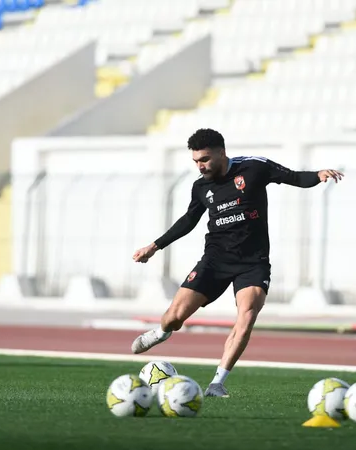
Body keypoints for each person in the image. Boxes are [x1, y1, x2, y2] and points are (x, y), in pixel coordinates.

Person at [129, 128, 343, 398]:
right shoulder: (201, 186)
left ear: (221, 152)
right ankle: (161, 333)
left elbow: (292, 177)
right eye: (196, 161)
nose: (200, 165)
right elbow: (188, 221)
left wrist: (317, 176)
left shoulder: (254, 168)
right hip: (215, 261)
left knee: (247, 316)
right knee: (174, 317)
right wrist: (154, 246)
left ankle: (217, 383)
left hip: (253, 263)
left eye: (205, 159)